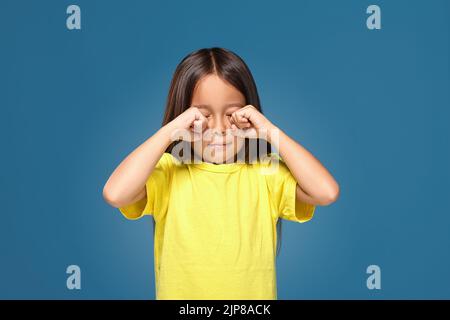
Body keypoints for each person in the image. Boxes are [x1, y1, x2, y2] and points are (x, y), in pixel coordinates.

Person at [103, 47, 340, 299]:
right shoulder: (168, 171)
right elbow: (116, 193)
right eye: (203, 115)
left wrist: (270, 132)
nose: (218, 128)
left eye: (231, 115)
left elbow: (326, 192)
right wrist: (170, 131)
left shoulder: (265, 172)